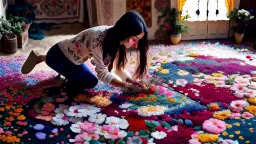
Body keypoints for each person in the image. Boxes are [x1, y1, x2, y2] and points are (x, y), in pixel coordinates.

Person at [21, 11, 149, 96]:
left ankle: (48, 59)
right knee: (89, 82)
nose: (135, 45)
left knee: (86, 78)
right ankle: (44, 58)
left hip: (75, 59)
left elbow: (118, 68)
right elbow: (102, 73)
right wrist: (123, 85)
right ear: (124, 32)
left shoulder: (116, 39)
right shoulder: (99, 39)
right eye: (134, 39)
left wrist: (130, 81)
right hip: (59, 55)